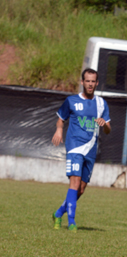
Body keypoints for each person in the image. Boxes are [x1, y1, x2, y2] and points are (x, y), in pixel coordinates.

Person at [51, 68, 111, 232]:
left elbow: (108, 130)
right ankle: (71, 222)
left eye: (93, 81)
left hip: (91, 149)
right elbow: (61, 119)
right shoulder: (71, 101)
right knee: (75, 183)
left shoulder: (101, 103)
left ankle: (58, 213)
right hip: (75, 147)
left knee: (82, 188)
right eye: (87, 81)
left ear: (97, 83)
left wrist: (104, 124)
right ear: (82, 82)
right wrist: (58, 130)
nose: (90, 84)